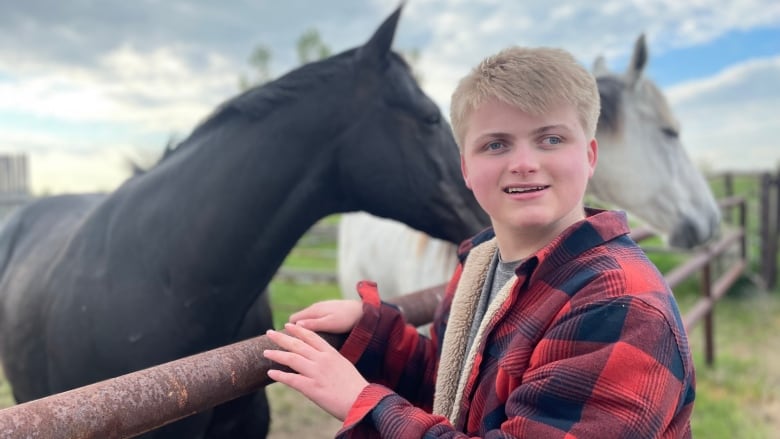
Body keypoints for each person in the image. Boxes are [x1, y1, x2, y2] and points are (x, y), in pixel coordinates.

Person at [263, 45, 695, 438]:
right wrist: (372, 329)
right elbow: (451, 382)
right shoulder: (484, 263)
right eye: (496, 145)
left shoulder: (620, 307)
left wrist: (363, 403)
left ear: (589, 156)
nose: (524, 164)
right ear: (465, 169)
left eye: (550, 139)